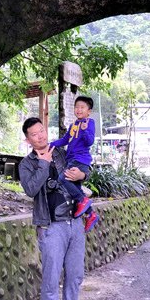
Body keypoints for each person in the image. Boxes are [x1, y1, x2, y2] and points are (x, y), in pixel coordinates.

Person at [19, 117, 95, 300]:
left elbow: (83, 164)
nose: (40, 136)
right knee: (51, 280)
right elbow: (31, 189)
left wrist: (84, 175)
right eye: (34, 134)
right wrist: (43, 164)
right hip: (51, 226)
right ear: (28, 140)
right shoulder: (27, 164)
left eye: (42, 130)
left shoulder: (61, 152)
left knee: (75, 276)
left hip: (75, 222)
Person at [49, 96, 99, 230]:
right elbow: (65, 140)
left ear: (89, 111)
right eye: (76, 107)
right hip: (72, 159)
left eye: (82, 107)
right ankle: (91, 214)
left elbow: (89, 142)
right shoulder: (73, 125)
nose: (79, 110)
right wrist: (50, 144)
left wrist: (84, 130)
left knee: (62, 178)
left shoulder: (90, 123)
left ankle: (83, 201)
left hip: (80, 160)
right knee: (75, 188)